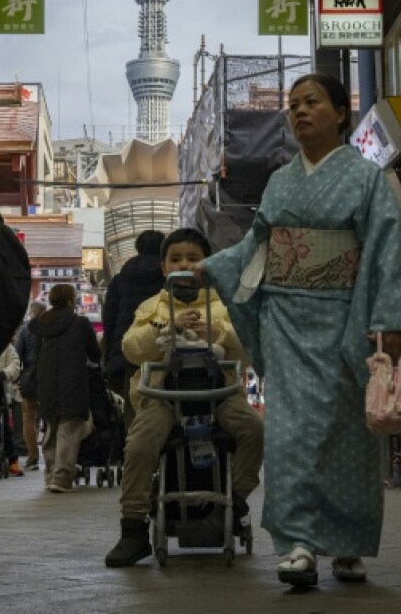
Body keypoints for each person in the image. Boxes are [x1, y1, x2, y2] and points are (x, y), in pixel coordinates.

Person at [193, 74, 401, 588]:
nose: (300, 112)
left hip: (346, 320)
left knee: (348, 434)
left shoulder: (366, 179)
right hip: (284, 319)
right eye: (293, 105)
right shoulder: (281, 181)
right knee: (290, 435)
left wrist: (389, 322)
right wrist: (211, 266)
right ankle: (298, 542)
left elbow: (390, 248)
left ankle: (347, 545)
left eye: (312, 102)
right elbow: (256, 246)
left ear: (340, 113)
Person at [105, 228, 264, 568]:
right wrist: (166, 328)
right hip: (164, 395)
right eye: (176, 258)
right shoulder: (151, 306)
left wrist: (218, 332)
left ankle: (233, 503)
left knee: (254, 429)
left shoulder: (227, 304)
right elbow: (132, 349)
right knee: (139, 444)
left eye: (193, 258)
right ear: (164, 267)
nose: (184, 264)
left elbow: (249, 347)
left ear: (207, 264)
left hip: (219, 394)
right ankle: (133, 528)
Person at [29, 284, 101, 493]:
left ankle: (50, 474)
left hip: (47, 381)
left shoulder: (41, 324)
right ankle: (62, 477)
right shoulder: (80, 323)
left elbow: (37, 355)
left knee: (51, 427)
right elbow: (94, 355)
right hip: (73, 381)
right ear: (71, 300)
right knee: (69, 428)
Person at [101, 230, 166, 424]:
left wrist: (110, 358)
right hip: (163, 353)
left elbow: (109, 321)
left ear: (137, 249)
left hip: (128, 356)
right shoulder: (169, 278)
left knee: (133, 412)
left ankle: (134, 450)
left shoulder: (120, 280)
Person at [13, 301, 47, 470]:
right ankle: (52, 456)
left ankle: (32, 457)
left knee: (29, 417)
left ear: (32, 312)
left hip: (30, 377)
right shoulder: (51, 329)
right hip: (49, 377)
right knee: (52, 417)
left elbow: (17, 355)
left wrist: (18, 378)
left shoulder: (25, 330)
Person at [0, 342, 23, 477]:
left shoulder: (6, 346)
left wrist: (3, 374)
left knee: (5, 428)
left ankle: (12, 459)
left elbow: (15, 365)